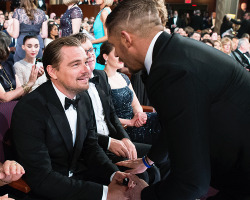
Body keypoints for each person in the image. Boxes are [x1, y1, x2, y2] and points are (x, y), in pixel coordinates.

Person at [106, 0, 250, 199]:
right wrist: (148, 160)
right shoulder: (175, 52)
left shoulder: (171, 71)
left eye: (114, 46)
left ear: (126, 39)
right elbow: (180, 122)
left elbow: (191, 183)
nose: (119, 56)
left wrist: (142, 195)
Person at [11, 36, 130, 200]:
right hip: (47, 190)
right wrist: (105, 194)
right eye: (76, 64)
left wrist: (113, 175)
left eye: (85, 62)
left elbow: (91, 148)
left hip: (80, 177)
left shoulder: (83, 98)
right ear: (52, 71)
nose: (87, 70)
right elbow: (42, 178)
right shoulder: (29, 110)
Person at [71, 33, 162, 183]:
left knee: (159, 158)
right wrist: (110, 141)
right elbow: (81, 130)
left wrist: (125, 139)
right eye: (84, 52)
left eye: (92, 50)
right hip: (95, 146)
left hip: (116, 136)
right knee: (144, 175)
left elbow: (111, 114)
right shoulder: (74, 85)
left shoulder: (100, 76)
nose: (90, 55)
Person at [98, 41, 161, 145]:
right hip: (121, 129)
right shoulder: (101, 81)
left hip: (135, 121)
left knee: (164, 119)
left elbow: (135, 104)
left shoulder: (124, 77)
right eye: (117, 55)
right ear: (106, 56)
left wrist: (139, 114)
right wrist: (130, 122)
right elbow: (103, 116)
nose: (122, 58)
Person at [0, 32, 38, 102]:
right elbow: (4, 98)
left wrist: (34, 77)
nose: (9, 49)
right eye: (7, 46)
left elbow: (21, 93)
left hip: (17, 104)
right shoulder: (16, 65)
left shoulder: (8, 65)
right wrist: (30, 82)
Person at [92, 0, 113, 70]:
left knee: (99, 75)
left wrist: (91, 41)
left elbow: (107, 36)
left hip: (99, 50)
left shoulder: (104, 13)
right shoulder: (105, 11)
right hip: (99, 48)